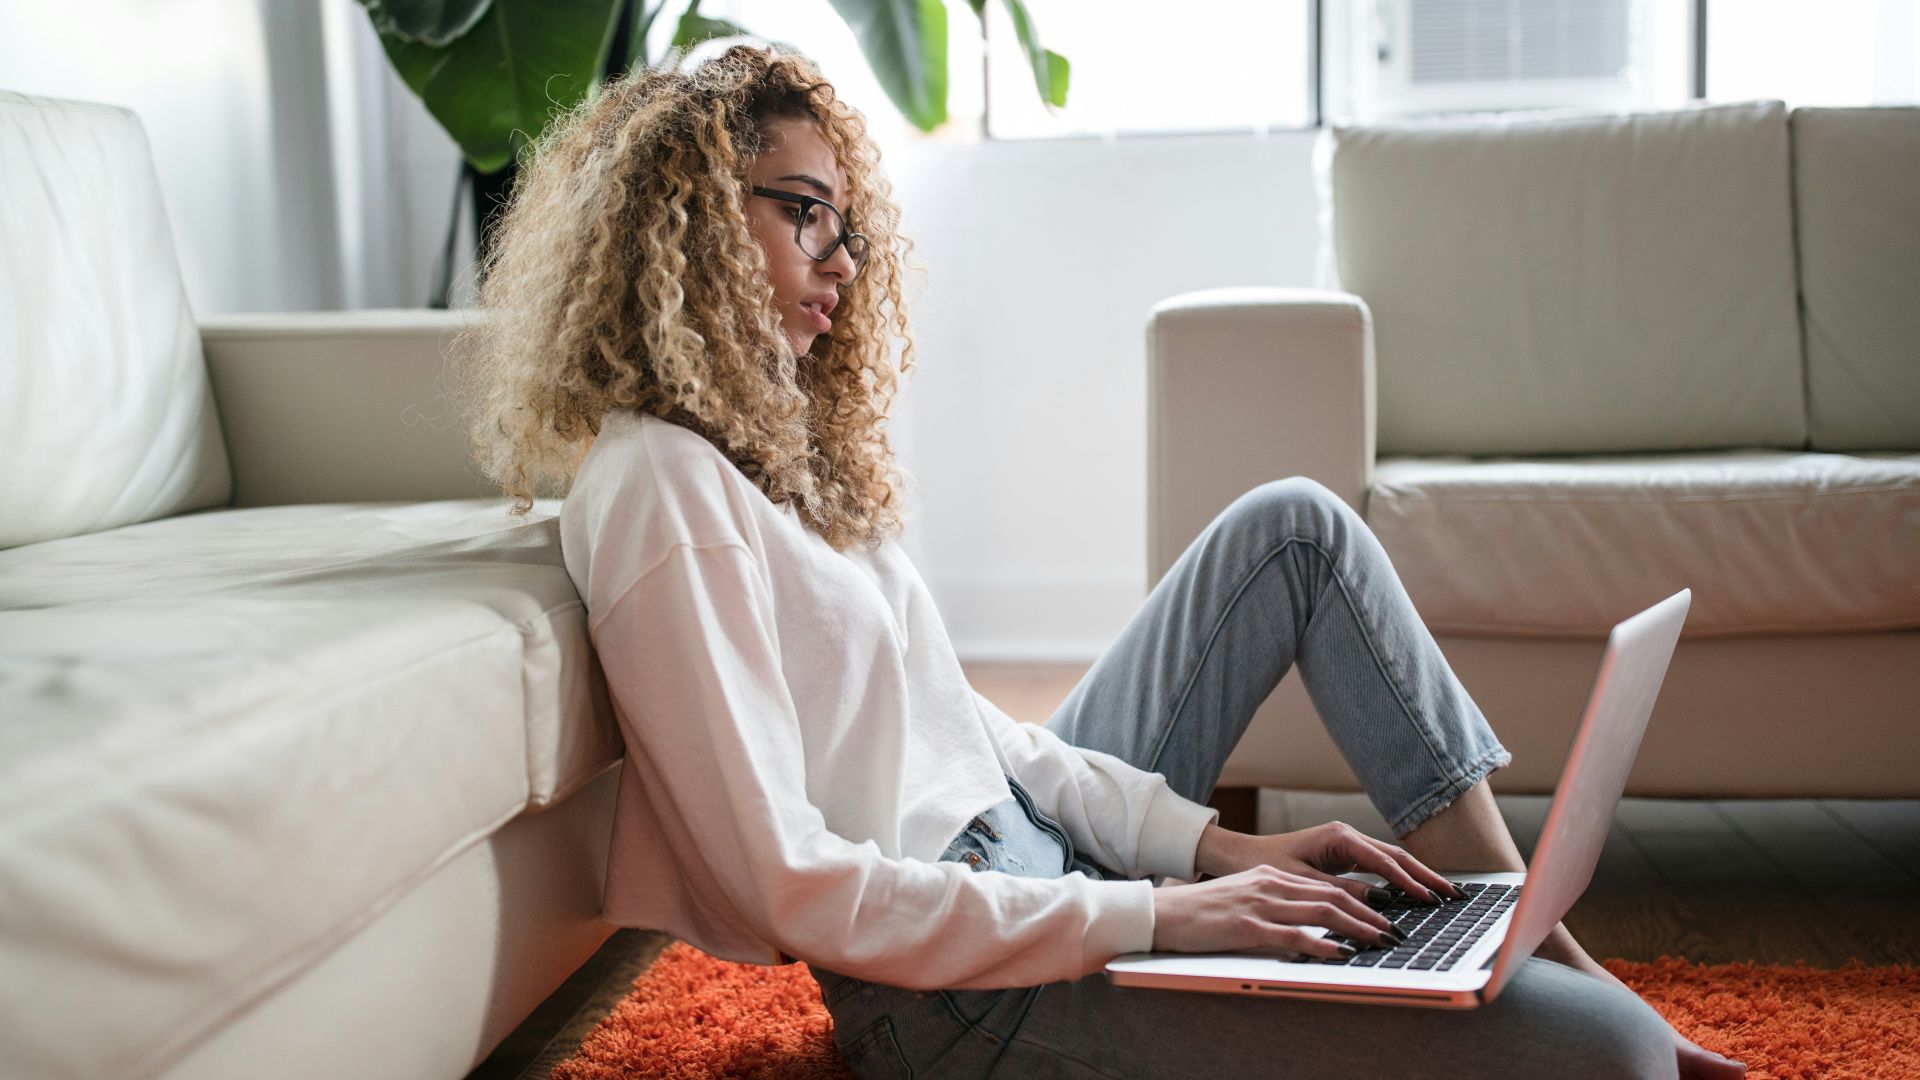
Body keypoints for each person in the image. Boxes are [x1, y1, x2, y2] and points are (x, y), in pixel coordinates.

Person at [447, 43, 1745, 1080]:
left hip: (1041, 868)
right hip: (951, 1000)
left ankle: (1522, 934)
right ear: (682, 224)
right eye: (803, 214)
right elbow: (784, 879)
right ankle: (1565, 990)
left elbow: (974, 735)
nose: (841, 261)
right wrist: (1154, 916)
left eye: (848, 224)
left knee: (1293, 524)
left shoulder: (783, 457)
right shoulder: (658, 490)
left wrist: (1202, 853)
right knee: (1613, 1061)